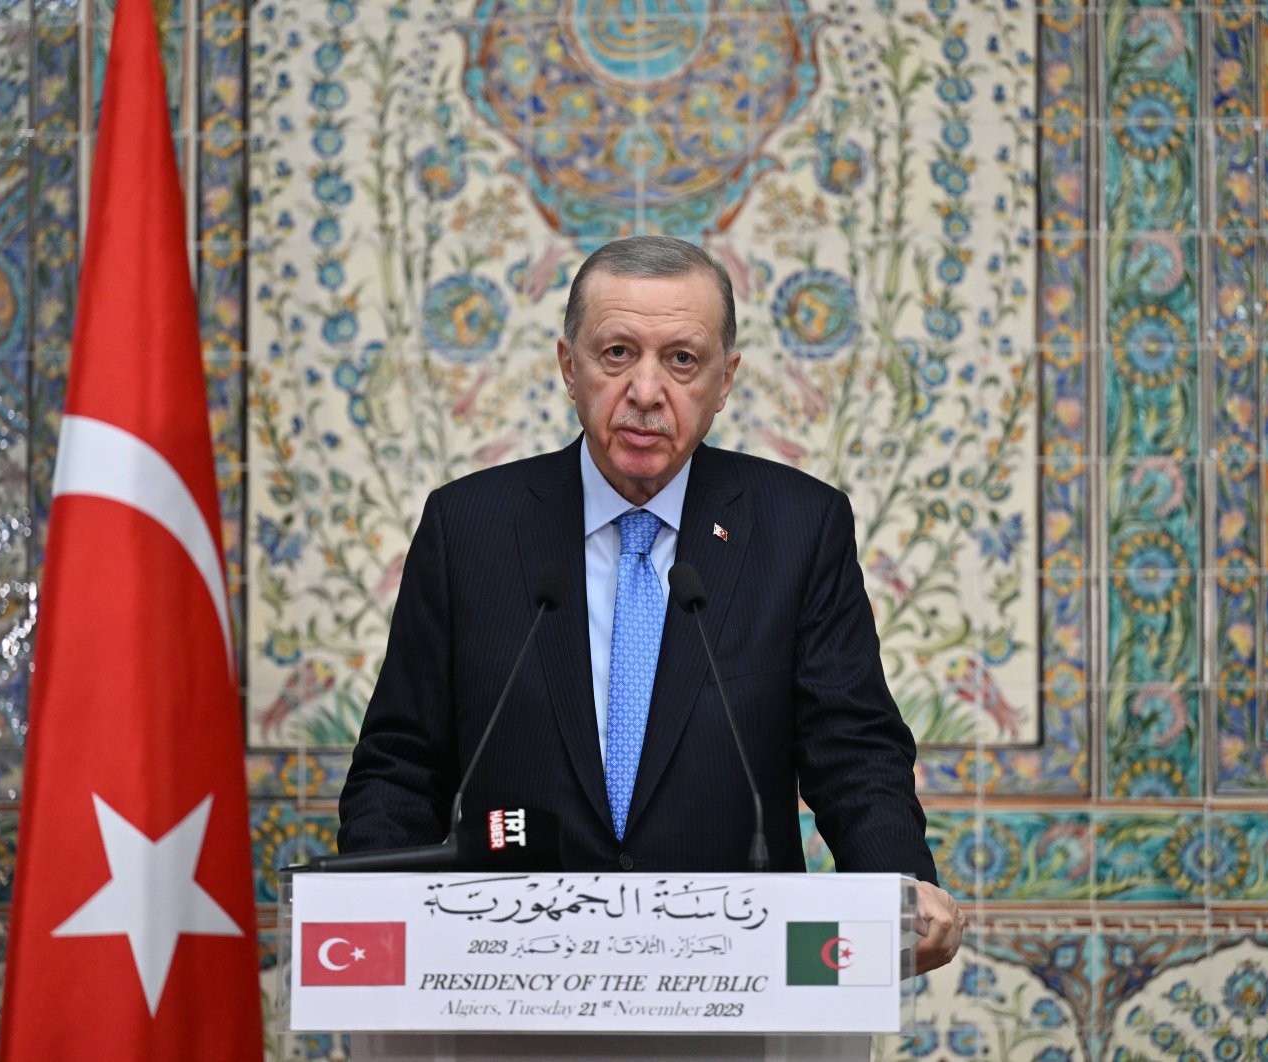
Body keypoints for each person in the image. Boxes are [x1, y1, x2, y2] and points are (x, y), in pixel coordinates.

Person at [338, 236, 964, 973]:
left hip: (735, 975)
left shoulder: (799, 527)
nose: (644, 391)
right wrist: (371, 920)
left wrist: (899, 884)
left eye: (682, 360)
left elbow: (853, 751)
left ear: (725, 380)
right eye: (615, 354)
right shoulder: (469, 527)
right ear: (568, 366)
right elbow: (401, 764)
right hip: (511, 974)